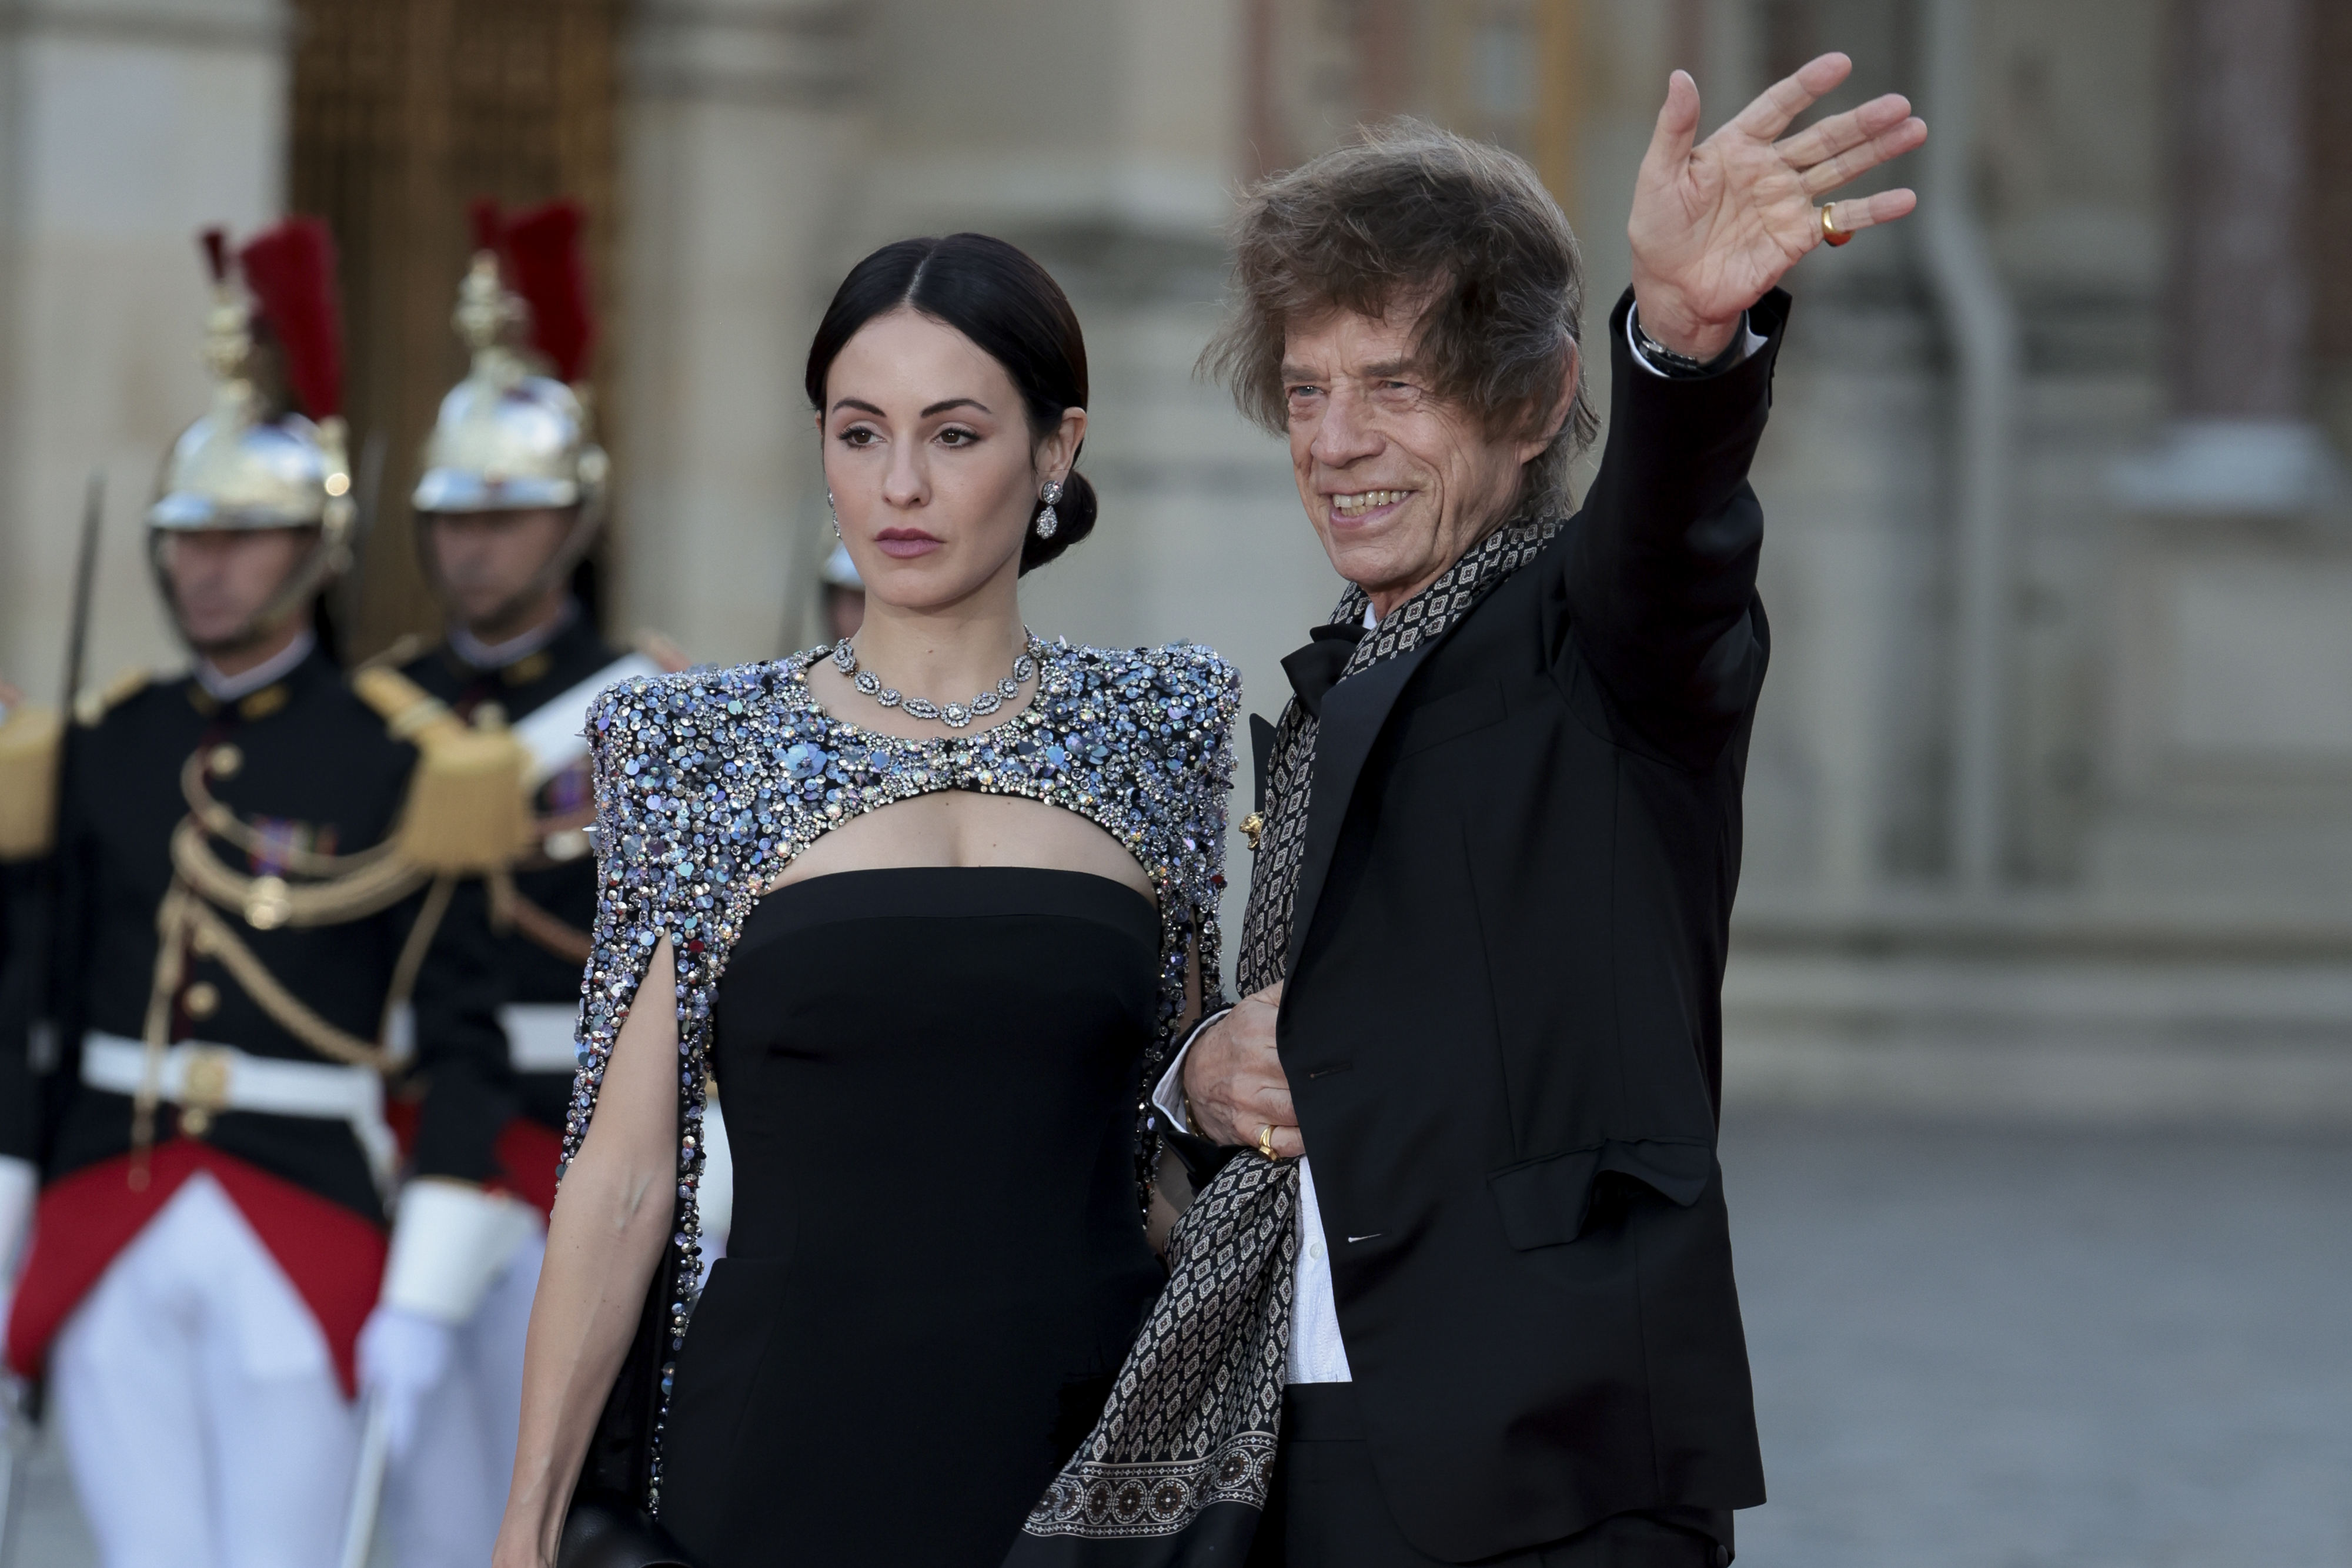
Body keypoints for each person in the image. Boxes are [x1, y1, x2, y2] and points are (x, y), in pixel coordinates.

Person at [1033, 55, 1926, 1567]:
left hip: (1541, 1464)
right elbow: (1306, 1040)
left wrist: (1688, 348)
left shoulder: (1591, 647)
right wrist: (1198, 1072)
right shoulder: (1331, 682)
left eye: (1395, 387)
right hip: (1278, 1446)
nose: (1334, 441)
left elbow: (1668, 543)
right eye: (1309, 391)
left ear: (1535, 401)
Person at [490, 232, 1238, 1568]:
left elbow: (1181, 1137)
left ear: (1056, 448)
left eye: (954, 434)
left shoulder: (1161, 725)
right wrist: (528, 1528)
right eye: (858, 432)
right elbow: (620, 1177)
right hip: (784, 1453)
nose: (897, 485)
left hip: (1099, 1469)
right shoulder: (694, 743)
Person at [0, 220, 508, 1568]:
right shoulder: (102, 739)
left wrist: (428, 1285)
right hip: (104, 1195)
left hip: (309, 1211)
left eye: (241, 538)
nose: (201, 568)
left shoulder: (403, 755)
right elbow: (26, 1009)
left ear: (315, 548)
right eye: (185, 539)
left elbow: (457, 1042)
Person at [357, 198, 687, 1568]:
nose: (472, 543)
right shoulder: (381, 705)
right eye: (452, 516)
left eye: (507, 512)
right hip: (407, 1133)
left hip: (581, 1126)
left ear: (574, 518)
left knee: (557, 1491)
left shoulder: (648, 704)